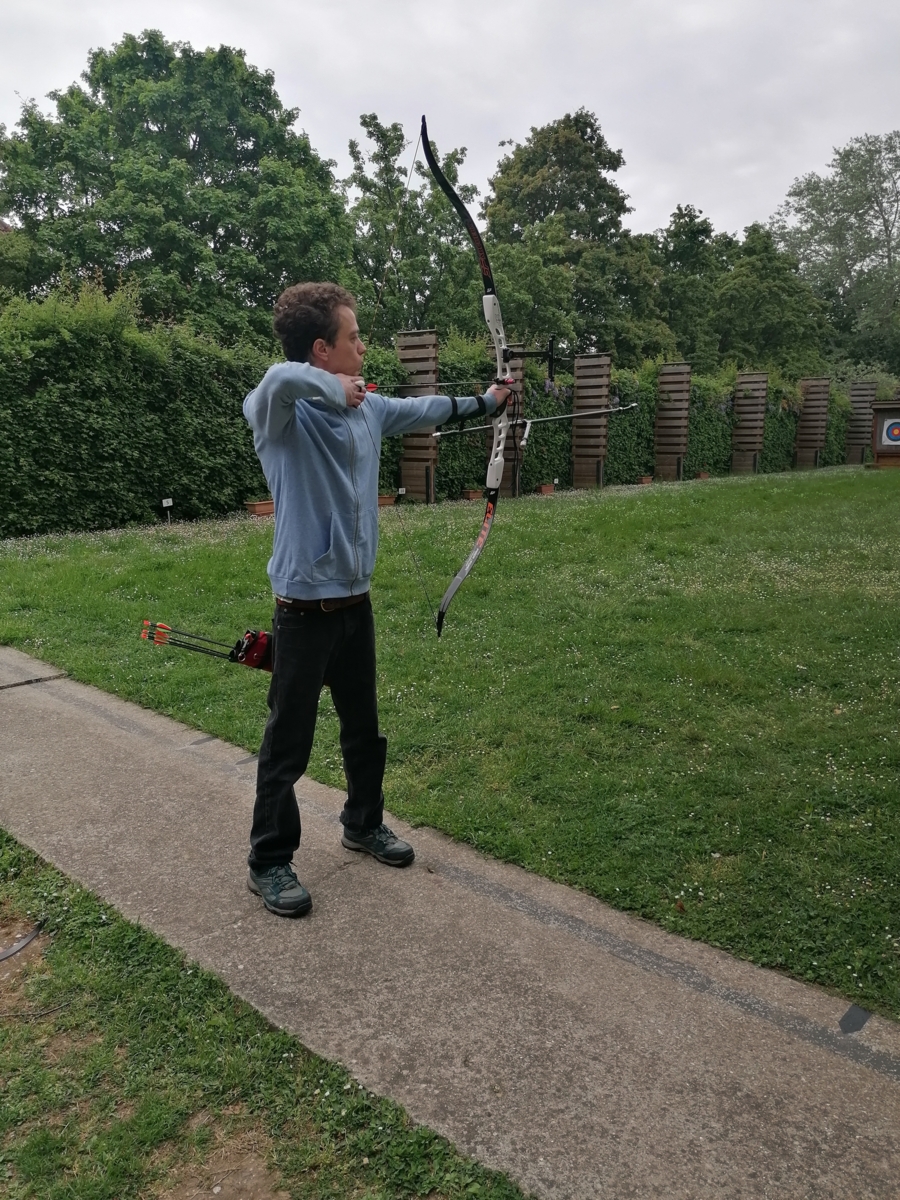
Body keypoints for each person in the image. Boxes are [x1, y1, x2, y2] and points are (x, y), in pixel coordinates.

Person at [243, 282, 510, 917]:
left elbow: (425, 409)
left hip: (355, 606)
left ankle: (363, 822)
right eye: (354, 337)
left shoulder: (369, 409)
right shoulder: (282, 417)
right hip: (303, 611)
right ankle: (269, 860)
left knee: (364, 728)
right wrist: (330, 389)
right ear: (321, 349)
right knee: (289, 742)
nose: (363, 347)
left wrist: (487, 401)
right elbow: (277, 380)